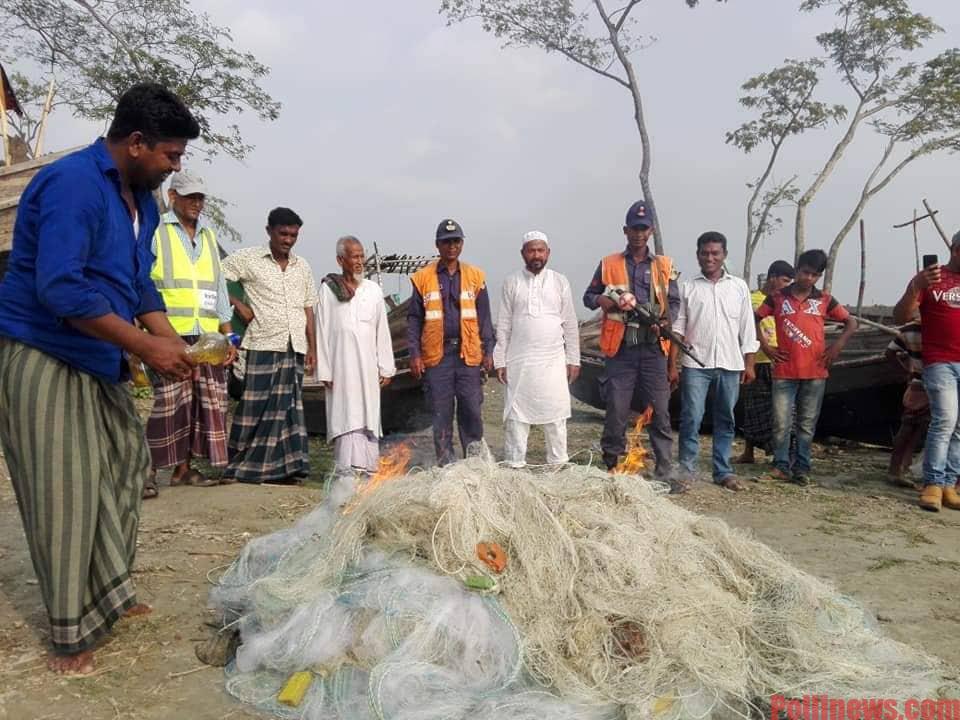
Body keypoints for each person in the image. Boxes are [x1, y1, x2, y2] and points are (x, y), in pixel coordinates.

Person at [0, 83, 200, 674]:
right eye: (170, 155)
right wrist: (145, 346)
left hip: (98, 357)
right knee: (66, 491)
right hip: (43, 349)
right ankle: (70, 632)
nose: (175, 166)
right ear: (135, 143)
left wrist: (177, 345)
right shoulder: (73, 185)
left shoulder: (143, 203)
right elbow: (59, 287)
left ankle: (110, 592)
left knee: (124, 469)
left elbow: (139, 286)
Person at [143, 170, 236, 498]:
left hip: (207, 335)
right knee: (169, 401)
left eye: (200, 198)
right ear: (173, 197)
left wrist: (228, 335)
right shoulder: (157, 231)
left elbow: (220, 287)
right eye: (190, 197)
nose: (197, 203)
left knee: (203, 403)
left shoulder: (209, 235)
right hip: (169, 332)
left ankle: (183, 470)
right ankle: (146, 471)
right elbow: (143, 281)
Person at [582, 200, 680, 483]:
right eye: (633, 229)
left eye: (643, 228)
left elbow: (673, 302)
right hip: (620, 350)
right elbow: (589, 297)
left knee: (660, 412)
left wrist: (664, 320)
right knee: (616, 410)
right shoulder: (608, 263)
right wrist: (604, 300)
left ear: (650, 231)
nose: (638, 233)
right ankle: (612, 465)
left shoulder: (664, 265)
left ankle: (664, 471)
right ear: (625, 231)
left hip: (652, 349)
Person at [221, 208, 318, 483]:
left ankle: (285, 468)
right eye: (283, 233)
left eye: (293, 235)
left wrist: (313, 348)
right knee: (255, 405)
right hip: (262, 343)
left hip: (294, 346)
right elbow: (215, 277)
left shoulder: (303, 266)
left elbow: (308, 308)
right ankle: (242, 465)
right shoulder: (249, 259)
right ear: (269, 231)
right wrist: (237, 303)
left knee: (288, 410)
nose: (288, 240)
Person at [756, 249, 857, 486]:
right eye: (804, 272)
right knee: (781, 422)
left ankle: (802, 467)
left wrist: (836, 348)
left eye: (814, 275)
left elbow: (851, 322)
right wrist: (766, 348)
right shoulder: (778, 297)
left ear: (819, 276)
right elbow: (754, 318)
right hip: (784, 371)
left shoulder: (824, 300)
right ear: (797, 269)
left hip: (815, 372)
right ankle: (780, 466)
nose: (808, 278)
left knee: (806, 424)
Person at [670, 232, 758, 491]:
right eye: (705, 253)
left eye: (715, 253)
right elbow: (678, 327)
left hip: (731, 364)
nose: (710, 258)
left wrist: (750, 363)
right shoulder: (688, 287)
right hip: (696, 364)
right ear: (698, 255)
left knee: (726, 419)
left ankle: (722, 471)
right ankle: (687, 469)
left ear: (724, 256)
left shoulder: (739, 287)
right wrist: (672, 365)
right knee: (691, 418)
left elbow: (747, 328)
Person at [408, 219, 495, 466]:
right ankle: (446, 466)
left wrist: (488, 351)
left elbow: (485, 318)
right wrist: (414, 354)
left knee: (471, 411)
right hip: (437, 357)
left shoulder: (476, 277)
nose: (452, 246)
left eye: (456, 241)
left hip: (468, 356)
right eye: (446, 242)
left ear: (462, 244)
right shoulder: (422, 278)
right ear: (438, 245)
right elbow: (414, 320)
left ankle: (475, 464)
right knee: (441, 414)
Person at [494, 231, 580, 467]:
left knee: (555, 415)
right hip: (519, 361)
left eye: (541, 250)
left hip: (553, 361)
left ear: (548, 253)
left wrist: (574, 359)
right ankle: (514, 464)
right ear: (523, 253)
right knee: (517, 417)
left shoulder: (560, 281)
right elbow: (503, 324)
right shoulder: (511, 282)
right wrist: (500, 360)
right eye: (531, 250)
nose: (536, 255)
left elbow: (570, 323)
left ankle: (558, 464)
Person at [316, 236, 396, 475]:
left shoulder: (373, 291)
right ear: (341, 260)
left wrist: (386, 367)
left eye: (362, 256)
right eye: (355, 257)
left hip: (369, 369)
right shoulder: (328, 290)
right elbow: (321, 329)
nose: (360, 261)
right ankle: (347, 471)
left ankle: (369, 469)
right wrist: (325, 370)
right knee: (346, 416)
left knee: (369, 417)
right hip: (341, 368)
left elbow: (382, 331)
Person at [893, 233, 960, 511]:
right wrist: (914, 288)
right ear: (955, 250)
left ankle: (949, 483)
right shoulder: (931, 279)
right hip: (940, 361)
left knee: (959, 428)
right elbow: (901, 317)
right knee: (945, 420)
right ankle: (932, 482)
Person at [735, 260, 795, 465]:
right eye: (785, 280)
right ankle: (748, 452)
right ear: (772, 277)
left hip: (780, 361)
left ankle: (781, 454)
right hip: (756, 360)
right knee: (753, 408)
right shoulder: (752, 299)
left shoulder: (785, 301)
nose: (787, 285)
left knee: (783, 410)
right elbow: (745, 327)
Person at [884, 318, 927, 487]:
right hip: (943, 383)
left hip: (917, 382)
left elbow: (889, 352)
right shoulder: (943, 325)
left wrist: (906, 373)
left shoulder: (910, 328)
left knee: (909, 426)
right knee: (930, 430)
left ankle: (896, 469)